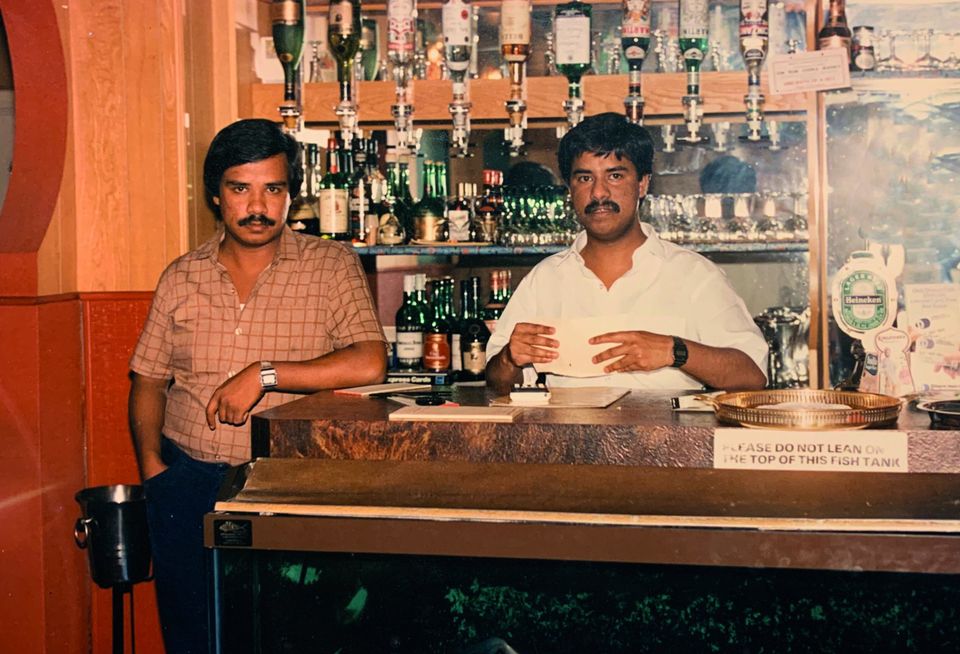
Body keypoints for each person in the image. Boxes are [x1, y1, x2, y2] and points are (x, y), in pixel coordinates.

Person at [128, 119, 387, 653]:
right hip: (188, 481)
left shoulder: (330, 265)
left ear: (291, 195)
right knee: (193, 634)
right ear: (215, 197)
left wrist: (266, 375)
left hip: (290, 482)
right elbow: (148, 379)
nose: (257, 206)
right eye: (240, 188)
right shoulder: (182, 275)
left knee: (286, 632)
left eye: (273, 189)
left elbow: (369, 362)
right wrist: (154, 469)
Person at [485, 112, 767, 393]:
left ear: (642, 184)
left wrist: (675, 351)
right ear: (570, 189)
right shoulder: (545, 279)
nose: (598, 194)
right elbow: (497, 382)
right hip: (567, 436)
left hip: (666, 436)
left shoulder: (694, 275)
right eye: (584, 178)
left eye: (615, 176)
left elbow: (752, 375)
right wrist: (510, 357)